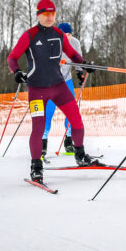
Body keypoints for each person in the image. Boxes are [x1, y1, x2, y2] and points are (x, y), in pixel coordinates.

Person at [6, 0, 97, 183]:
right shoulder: (29, 35)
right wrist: (17, 72)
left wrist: (84, 64)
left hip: (59, 86)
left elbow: (72, 54)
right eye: (46, 14)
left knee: (76, 120)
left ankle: (80, 155)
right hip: (37, 89)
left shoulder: (59, 34)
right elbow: (12, 57)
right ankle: (36, 167)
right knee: (38, 128)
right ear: (38, 15)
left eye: (52, 14)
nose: (49, 17)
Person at [43, 21, 82, 156]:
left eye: (69, 35)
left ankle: (69, 140)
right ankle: (43, 142)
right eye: (64, 35)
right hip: (51, 82)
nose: (67, 38)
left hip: (67, 81)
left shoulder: (75, 43)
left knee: (71, 110)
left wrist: (80, 72)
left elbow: (78, 58)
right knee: (48, 111)